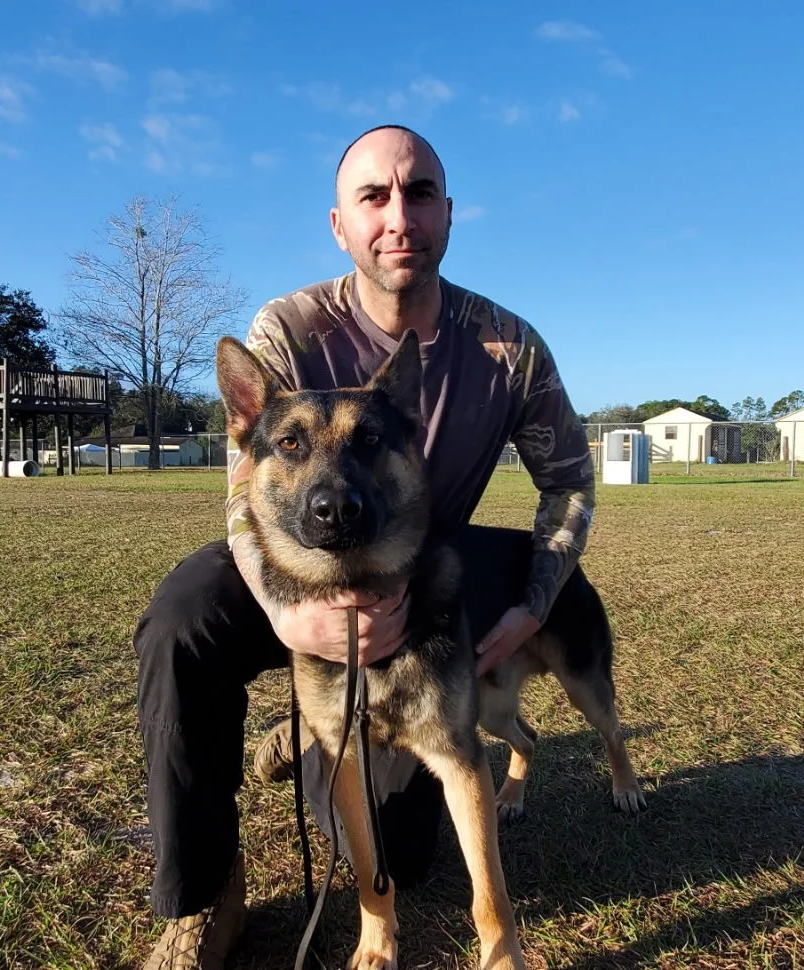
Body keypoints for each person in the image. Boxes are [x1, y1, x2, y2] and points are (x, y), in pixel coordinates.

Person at [135, 124, 596, 969]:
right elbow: (247, 481)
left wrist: (532, 605)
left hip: (416, 577)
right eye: (372, 197)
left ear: (448, 215)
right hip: (289, 565)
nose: (398, 216)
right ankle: (202, 896)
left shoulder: (507, 346)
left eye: (418, 194)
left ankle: (312, 736)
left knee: (397, 855)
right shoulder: (292, 322)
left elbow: (568, 483)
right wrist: (284, 612)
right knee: (183, 618)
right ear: (340, 223)